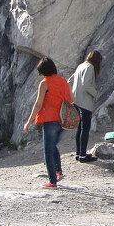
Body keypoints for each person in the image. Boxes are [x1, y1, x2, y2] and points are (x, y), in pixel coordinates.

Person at [23, 57, 73, 190]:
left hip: (50, 120)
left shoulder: (44, 83)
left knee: (48, 151)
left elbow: (38, 104)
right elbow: (71, 98)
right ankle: (58, 171)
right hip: (63, 120)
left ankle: (52, 181)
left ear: (42, 71)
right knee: (53, 146)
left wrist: (29, 121)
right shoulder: (63, 81)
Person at [70, 51, 102, 163]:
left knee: (80, 129)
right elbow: (86, 85)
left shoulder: (81, 66)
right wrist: (96, 94)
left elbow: (74, 81)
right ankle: (83, 155)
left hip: (76, 100)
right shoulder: (90, 67)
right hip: (84, 102)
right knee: (85, 129)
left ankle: (79, 153)